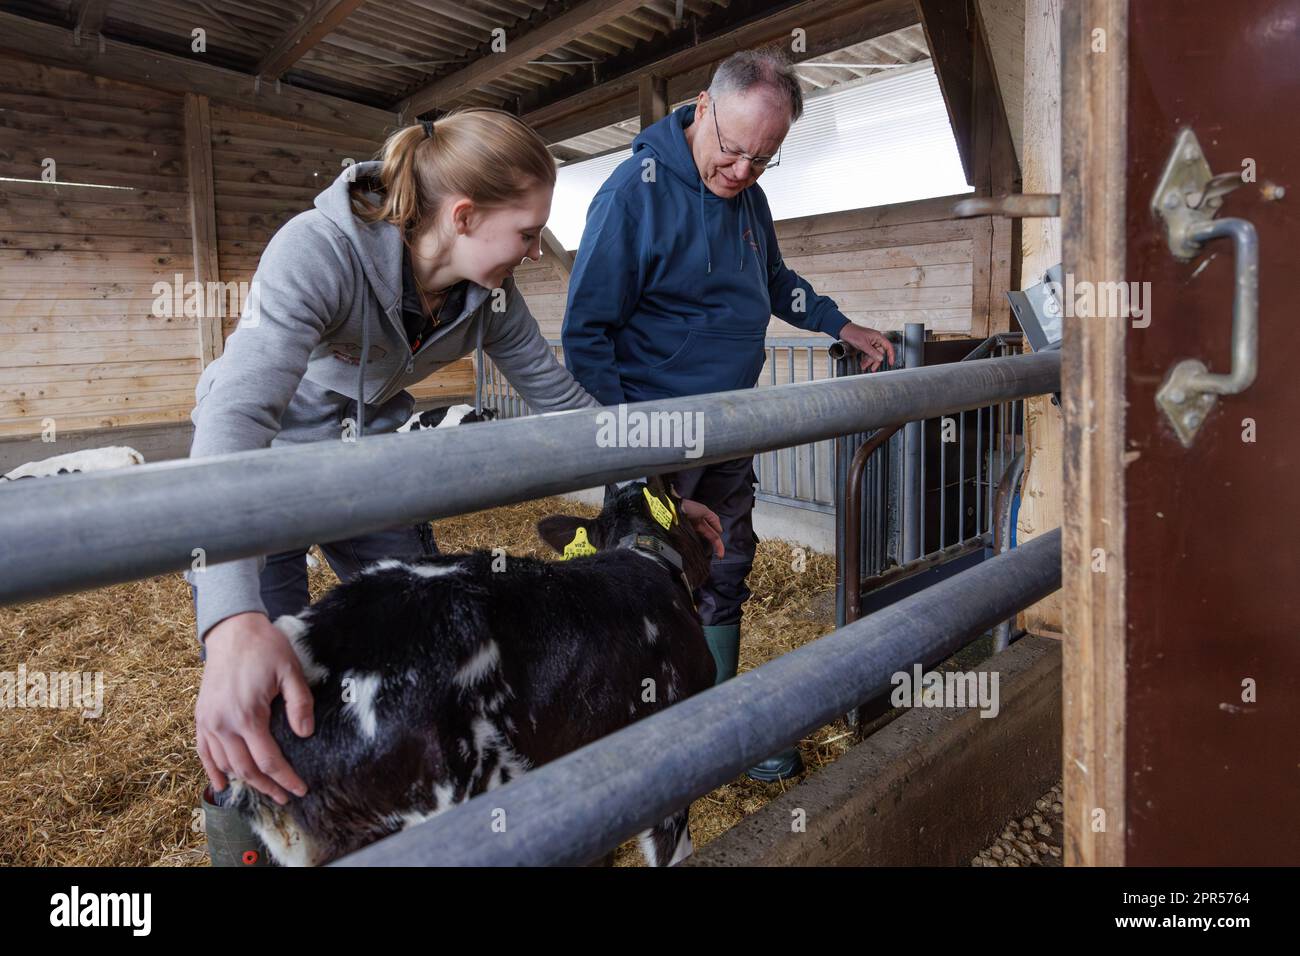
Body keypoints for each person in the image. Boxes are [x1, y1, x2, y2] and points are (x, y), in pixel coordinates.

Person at [184, 109, 723, 862]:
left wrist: (655, 500)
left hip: (366, 471)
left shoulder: (487, 296)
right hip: (259, 476)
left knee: (410, 641)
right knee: (274, 699)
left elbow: (564, 407)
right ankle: (246, 844)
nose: (535, 252)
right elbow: (235, 419)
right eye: (528, 232)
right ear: (464, 216)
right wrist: (229, 624)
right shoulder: (318, 251)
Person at [562, 50, 896, 782]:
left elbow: (775, 281)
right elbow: (584, 335)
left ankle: (716, 734)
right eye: (734, 150)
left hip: (730, 427)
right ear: (703, 108)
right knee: (649, 575)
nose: (743, 171)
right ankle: (642, 747)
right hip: (654, 432)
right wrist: (638, 460)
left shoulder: (747, 196)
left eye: (763, 159)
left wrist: (840, 325)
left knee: (726, 567)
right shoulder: (633, 195)